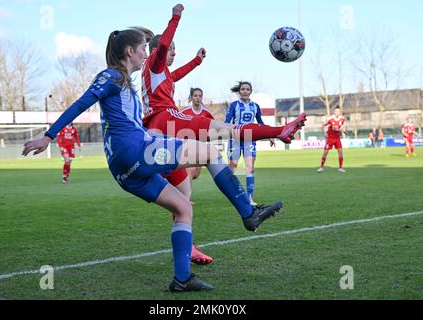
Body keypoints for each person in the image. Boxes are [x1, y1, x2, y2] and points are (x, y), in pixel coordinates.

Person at [21, 18, 285, 292]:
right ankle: (248, 212)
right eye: (141, 48)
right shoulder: (110, 76)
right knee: (210, 152)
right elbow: (81, 103)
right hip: (136, 152)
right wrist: (49, 136)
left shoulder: (127, 83)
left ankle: (182, 279)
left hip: (125, 172)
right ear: (129, 53)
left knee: (183, 208)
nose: (145, 54)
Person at [141, 4, 306, 266]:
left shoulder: (161, 75)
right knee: (223, 130)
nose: (173, 53)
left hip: (157, 132)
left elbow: (177, 74)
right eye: (173, 50)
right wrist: (175, 17)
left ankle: (188, 254)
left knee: (182, 200)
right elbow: (161, 47)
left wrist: (196, 61)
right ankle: (278, 132)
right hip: (165, 119)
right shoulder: (155, 61)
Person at [225, 81, 274, 206]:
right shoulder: (234, 105)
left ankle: (249, 197)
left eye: (247, 89)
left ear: (251, 91)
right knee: (232, 169)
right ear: (239, 91)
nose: (245, 91)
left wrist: (269, 134)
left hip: (249, 139)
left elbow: (260, 122)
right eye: (243, 89)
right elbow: (227, 121)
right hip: (235, 139)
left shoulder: (255, 106)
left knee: (250, 168)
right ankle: (233, 196)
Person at [181, 87, 214, 182]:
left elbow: (212, 127)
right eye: (195, 96)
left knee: (196, 174)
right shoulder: (184, 112)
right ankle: (185, 196)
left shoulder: (207, 113)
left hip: (201, 146)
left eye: (200, 96)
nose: (198, 98)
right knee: (190, 172)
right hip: (188, 145)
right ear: (191, 97)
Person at [317, 106, 347, 173]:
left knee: (340, 152)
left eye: (338, 111)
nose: (337, 112)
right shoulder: (330, 119)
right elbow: (322, 126)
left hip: (337, 138)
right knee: (325, 152)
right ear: (334, 112)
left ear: (340, 112)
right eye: (336, 111)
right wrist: (324, 133)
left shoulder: (342, 119)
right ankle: (321, 167)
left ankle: (340, 168)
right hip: (330, 138)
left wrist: (344, 131)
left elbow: (342, 127)